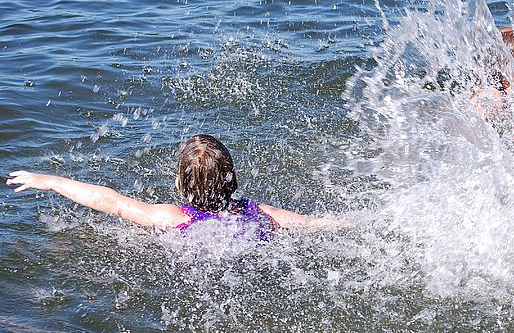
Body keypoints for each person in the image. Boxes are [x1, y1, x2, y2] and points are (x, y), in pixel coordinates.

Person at [7, 134, 348, 238]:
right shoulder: (258, 213)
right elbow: (315, 225)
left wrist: (50, 181)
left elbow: (111, 202)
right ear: (232, 176)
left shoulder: (172, 217)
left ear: (179, 182)